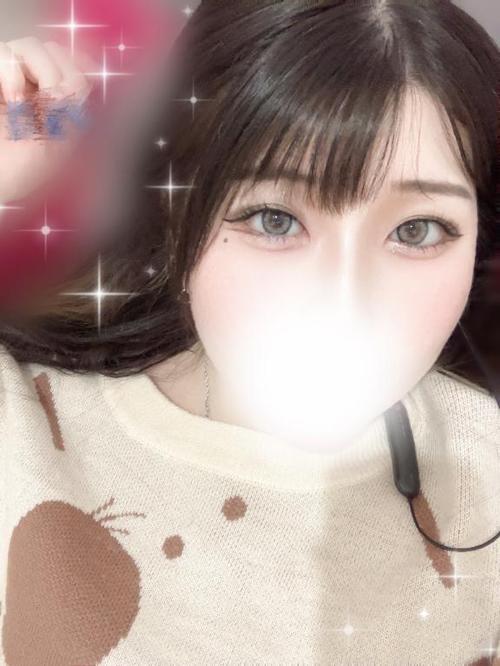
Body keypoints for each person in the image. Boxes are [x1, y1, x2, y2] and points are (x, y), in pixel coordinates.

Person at [0, 1, 499, 663]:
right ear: (178, 221)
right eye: (273, 219)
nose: (344, 301)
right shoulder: (24, 423)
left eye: (417, 230)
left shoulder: (487, 472)